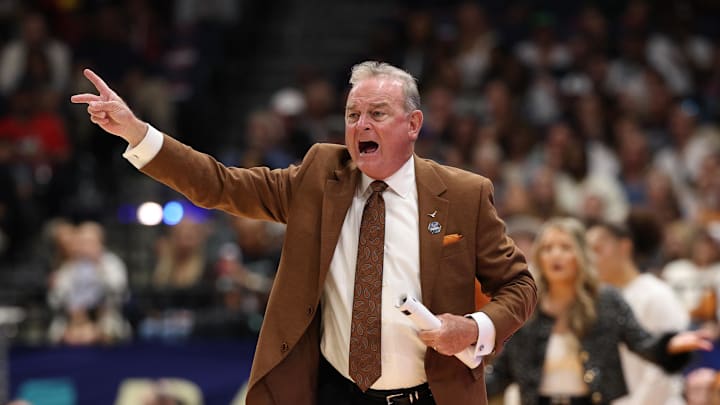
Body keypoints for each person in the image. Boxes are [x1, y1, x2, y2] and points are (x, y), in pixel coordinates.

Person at [71, 61, 537, 405]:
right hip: (332, 391)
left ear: (413, 124)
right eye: (353, 115)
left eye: (378, 113)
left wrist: (474, 328)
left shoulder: (464, 194)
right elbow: (221, 184)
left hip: (431, 396)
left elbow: (519, 286)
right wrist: (137, 134)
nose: (362, 125)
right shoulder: (319, 175)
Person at [485, 217, 713, 405]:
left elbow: (643, 344)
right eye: (547, 248)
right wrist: (459, 378)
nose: (555, 254)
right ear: (539, 257)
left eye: (565, 247)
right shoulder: (527, 305)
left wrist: (669, 346)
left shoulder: (606, 300)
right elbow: (503, 372)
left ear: (581, 255)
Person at [586, 220, 689, 405]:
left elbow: (664, 370)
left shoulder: (657, 294)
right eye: (587, 252)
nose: (591, 258)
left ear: (624, 247)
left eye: (598, 248)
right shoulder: (596, 301)